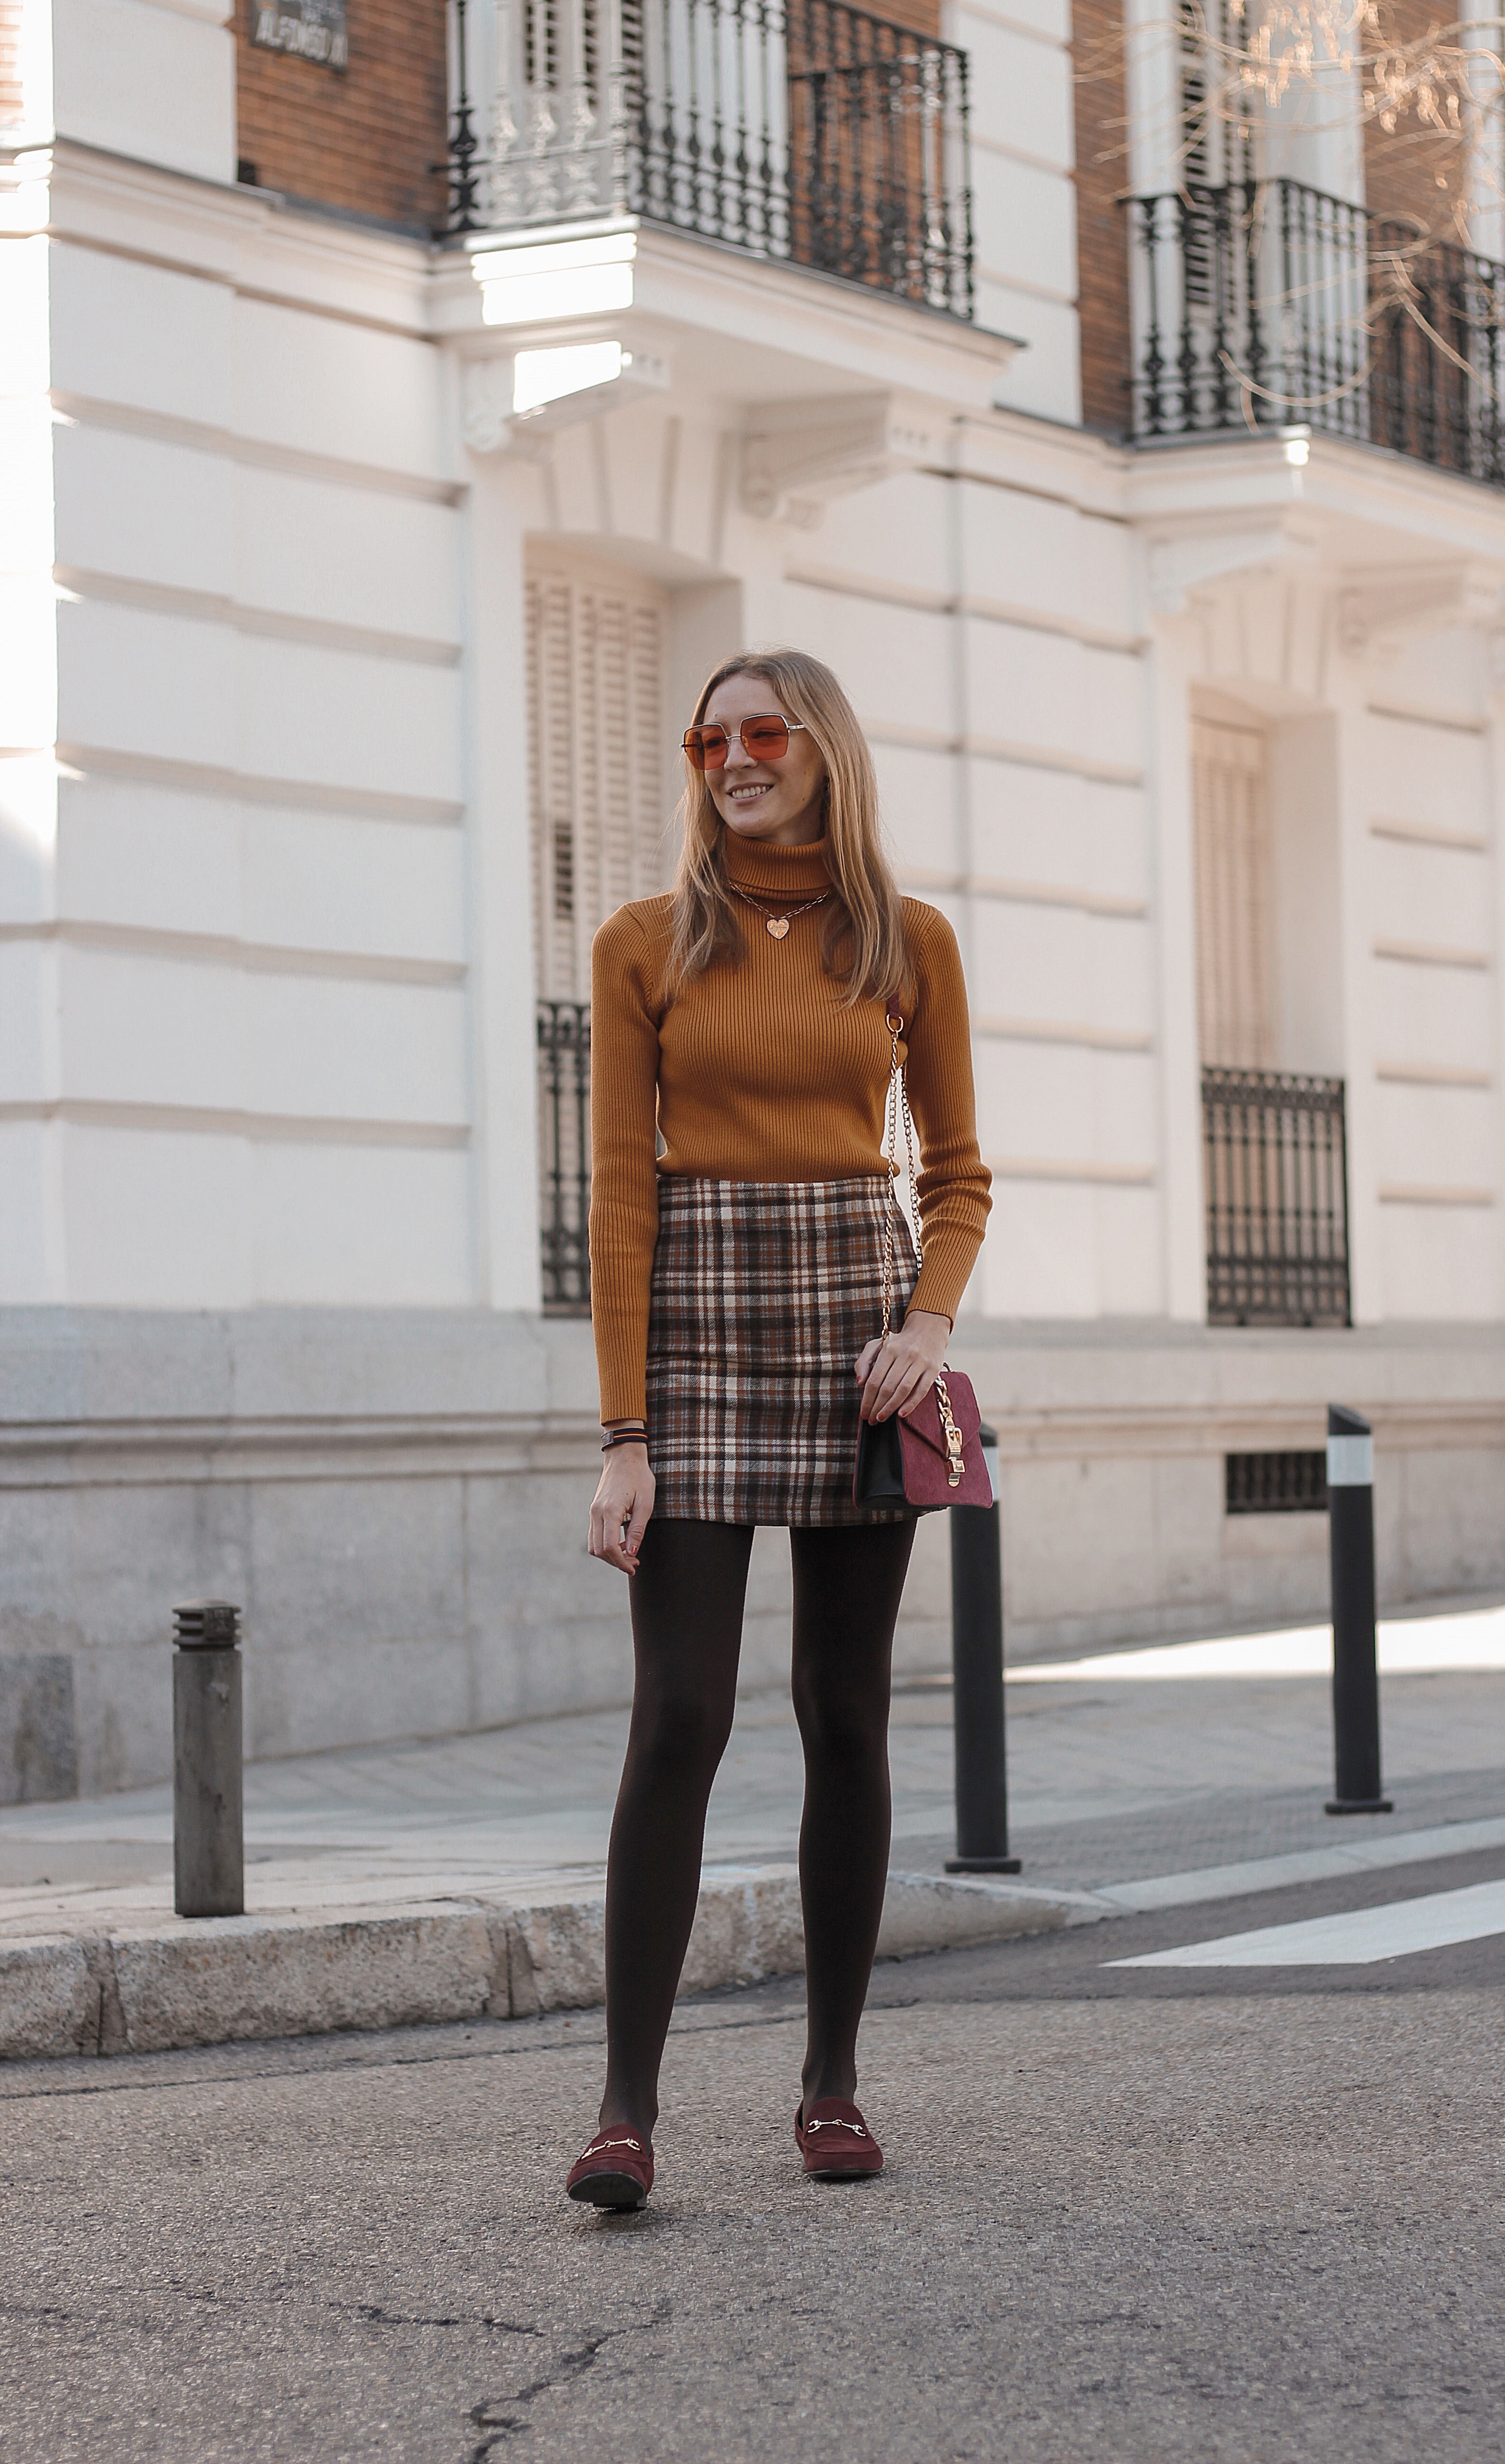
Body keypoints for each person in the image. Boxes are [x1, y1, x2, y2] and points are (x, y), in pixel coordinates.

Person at [566, 648, 990, 2210]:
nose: (734, 758)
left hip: (860, 1335)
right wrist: (625, 1431)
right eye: (712, 738)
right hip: (693, 1321)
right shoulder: (641, 944)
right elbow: (619, 1194)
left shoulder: (907, 942)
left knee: (848, 1715)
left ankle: (831, 2085)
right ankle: (625, 2109)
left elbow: (956, 1174)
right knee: (678, 1716)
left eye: (764, 733)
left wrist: (927, 1329)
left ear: (822, 750)